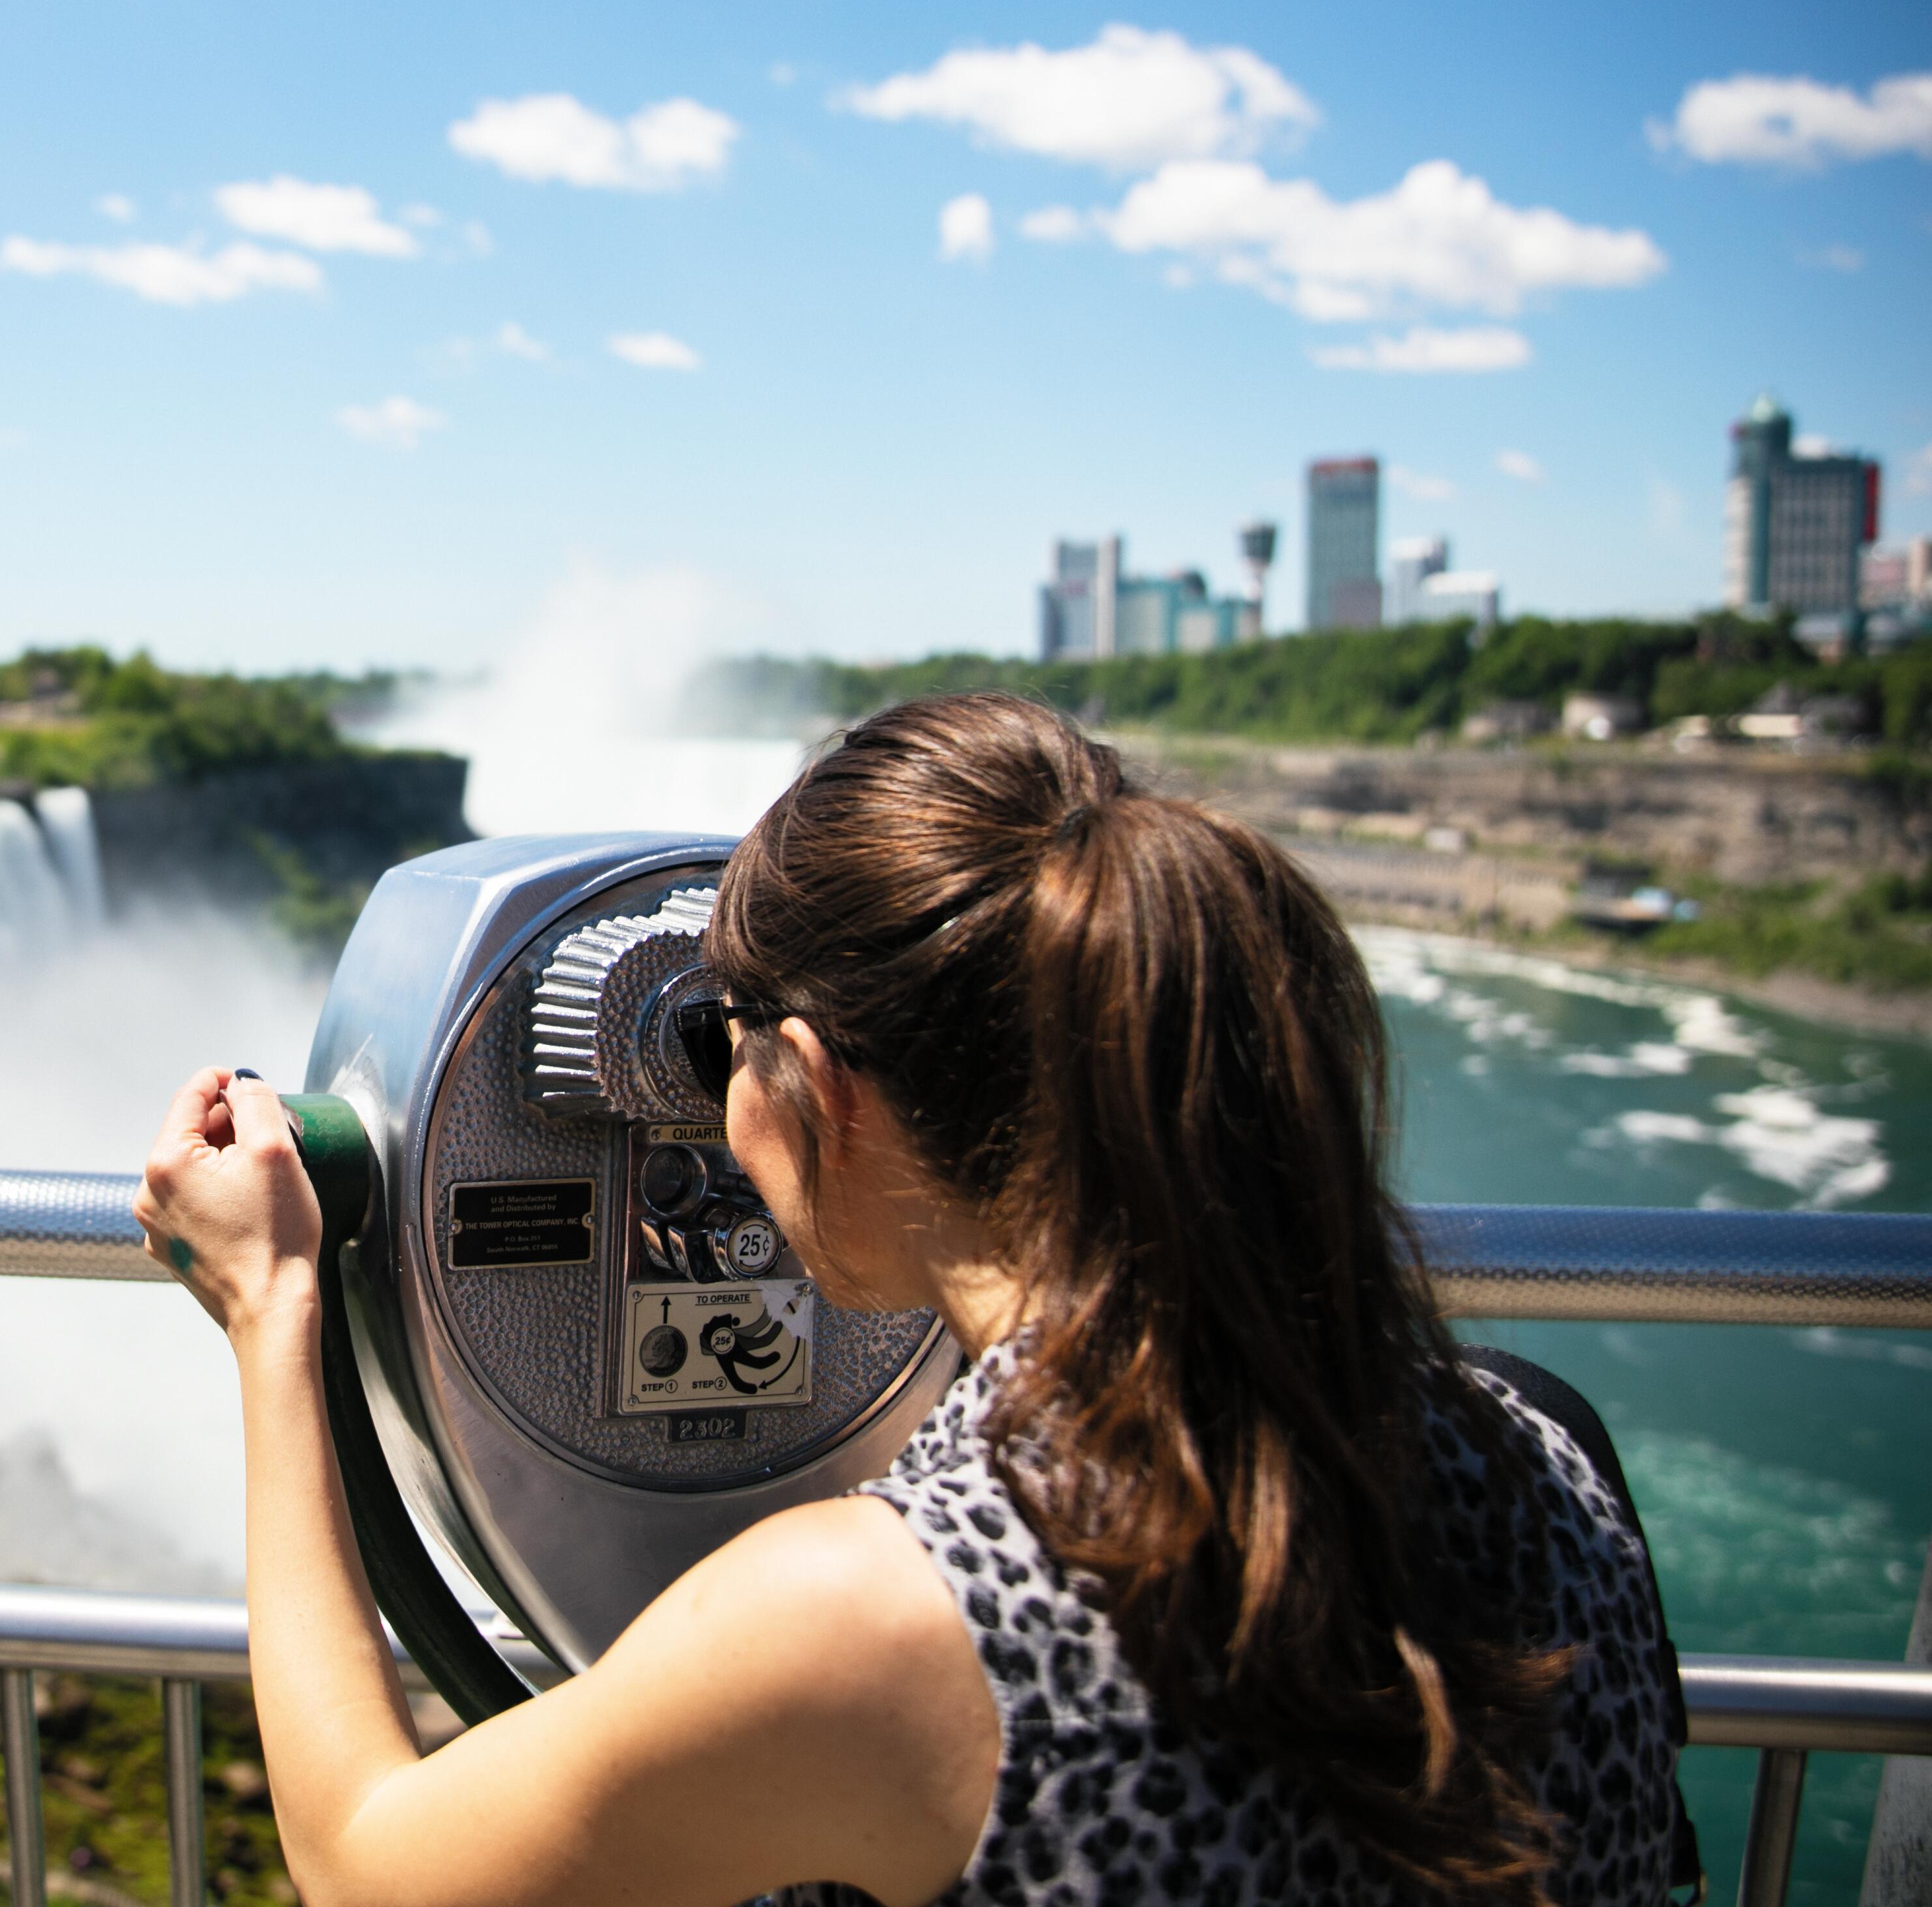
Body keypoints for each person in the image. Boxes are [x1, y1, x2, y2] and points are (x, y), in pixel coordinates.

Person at [134, 693, 1680, 1907]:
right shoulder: (1547, 1456)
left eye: (724, 1048)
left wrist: (276, 1308)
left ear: (813, 1086)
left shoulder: (874, 1626)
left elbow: (368, 1863)